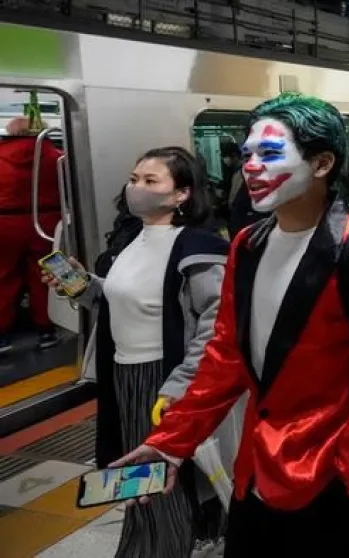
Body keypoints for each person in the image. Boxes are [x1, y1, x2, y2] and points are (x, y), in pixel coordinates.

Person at [111, 93, 349, 557]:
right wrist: (170, 443)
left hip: (327, 477)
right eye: (248, 154)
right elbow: (225, 357)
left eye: (270, 153)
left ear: (322, 163)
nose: (251, 167)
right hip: (253, 468)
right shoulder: (247, 245)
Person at [42, 146, 231, 558]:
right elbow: (115, 301)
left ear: (182, 194)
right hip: (124, 377)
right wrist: (80, 286)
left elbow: (216, 321)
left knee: (162, 482)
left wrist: (181, 385)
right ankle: (164, 541)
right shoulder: (126, 245)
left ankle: (158, 549)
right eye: (133, 179)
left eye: (150, 181)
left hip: (166, 378)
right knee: (143, 478)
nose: (136, 189)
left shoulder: (197, 247)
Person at [0, 116, 61, 353]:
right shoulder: (57, 157)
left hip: (4, 223)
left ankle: (2, 335)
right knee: (46, 275)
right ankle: (47, 330)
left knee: (3, 277)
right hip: (47, 222)